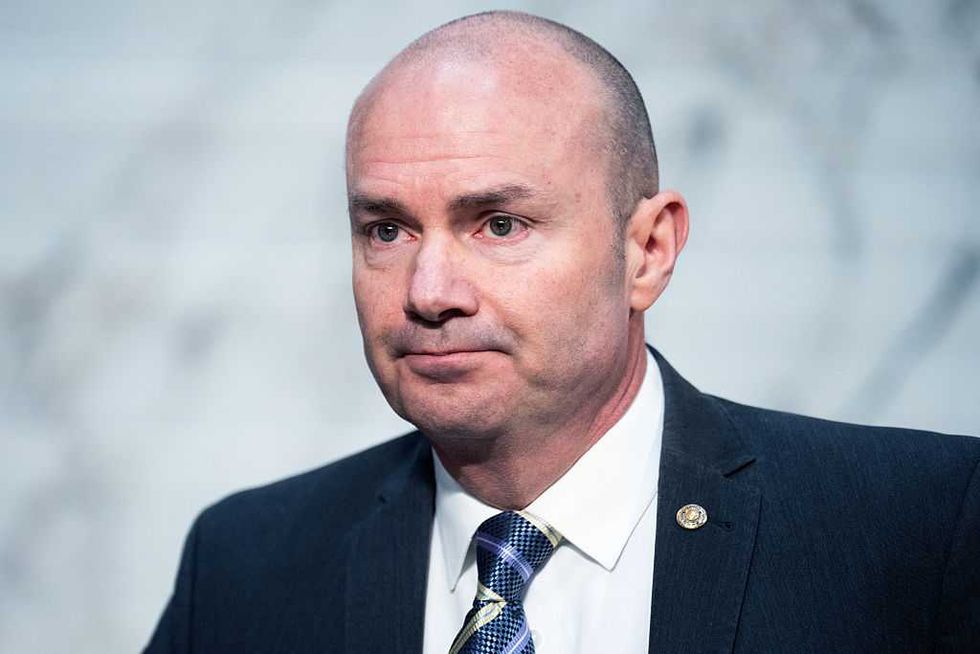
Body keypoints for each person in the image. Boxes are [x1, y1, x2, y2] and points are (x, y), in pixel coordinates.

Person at [145, 10, 979, 653]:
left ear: (647, 251)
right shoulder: (245, 566)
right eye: (386, 230)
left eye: (499, 224)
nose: (428, 293)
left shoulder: (921, 528)